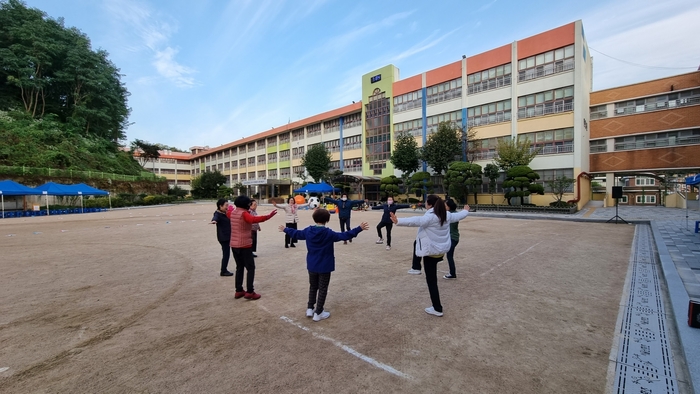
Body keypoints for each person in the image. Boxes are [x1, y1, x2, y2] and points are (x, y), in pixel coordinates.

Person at [279, 209, 369, 322]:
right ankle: (319, 312)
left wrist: (286, 229)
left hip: (312, 264)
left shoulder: (308, 231)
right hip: (325, 266)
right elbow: (344, 235)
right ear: (327, 220)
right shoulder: (328, 233)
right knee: (322, 288)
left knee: (313, 286)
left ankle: (310, 308)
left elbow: (297, 234)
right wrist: (359, 228)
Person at [390, 195, 469, 317]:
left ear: (430, 205)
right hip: (440, 251)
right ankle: (416, 268)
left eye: (426, 202)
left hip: (431, 253)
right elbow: (459, 216)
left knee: (431, 281)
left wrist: (398, 221)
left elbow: (416, 221)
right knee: (417, 242)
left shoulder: (431, 216)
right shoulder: (446, 214)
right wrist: (466, 210)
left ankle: (437, 308)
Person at [229, 195, 277, 300]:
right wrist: (268, 216)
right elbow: (254, 219)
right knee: (250, 268)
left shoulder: (233, 212)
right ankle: (250, 291)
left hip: (234, 244)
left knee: (239, 267)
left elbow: (229, 211)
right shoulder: (244, 214)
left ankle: (239, 290)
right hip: (244, 244)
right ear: (246, 204)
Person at [210, 198, 233, 276]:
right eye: (226, 205)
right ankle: (223, 270)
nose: (227, 207)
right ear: (220, 206)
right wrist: (214, 221)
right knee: (226, 254)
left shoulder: (226, 213)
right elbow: (215, 218)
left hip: (229, 236)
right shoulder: (218, 213)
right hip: (224, 237)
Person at [443, 199, 460, 279]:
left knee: (449, 256)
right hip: (452, 237)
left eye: (445, 206)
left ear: (449, 206)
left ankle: (452, 273)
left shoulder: (451, 215)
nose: (444, 207)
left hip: (452, 237)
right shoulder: (452, 213)